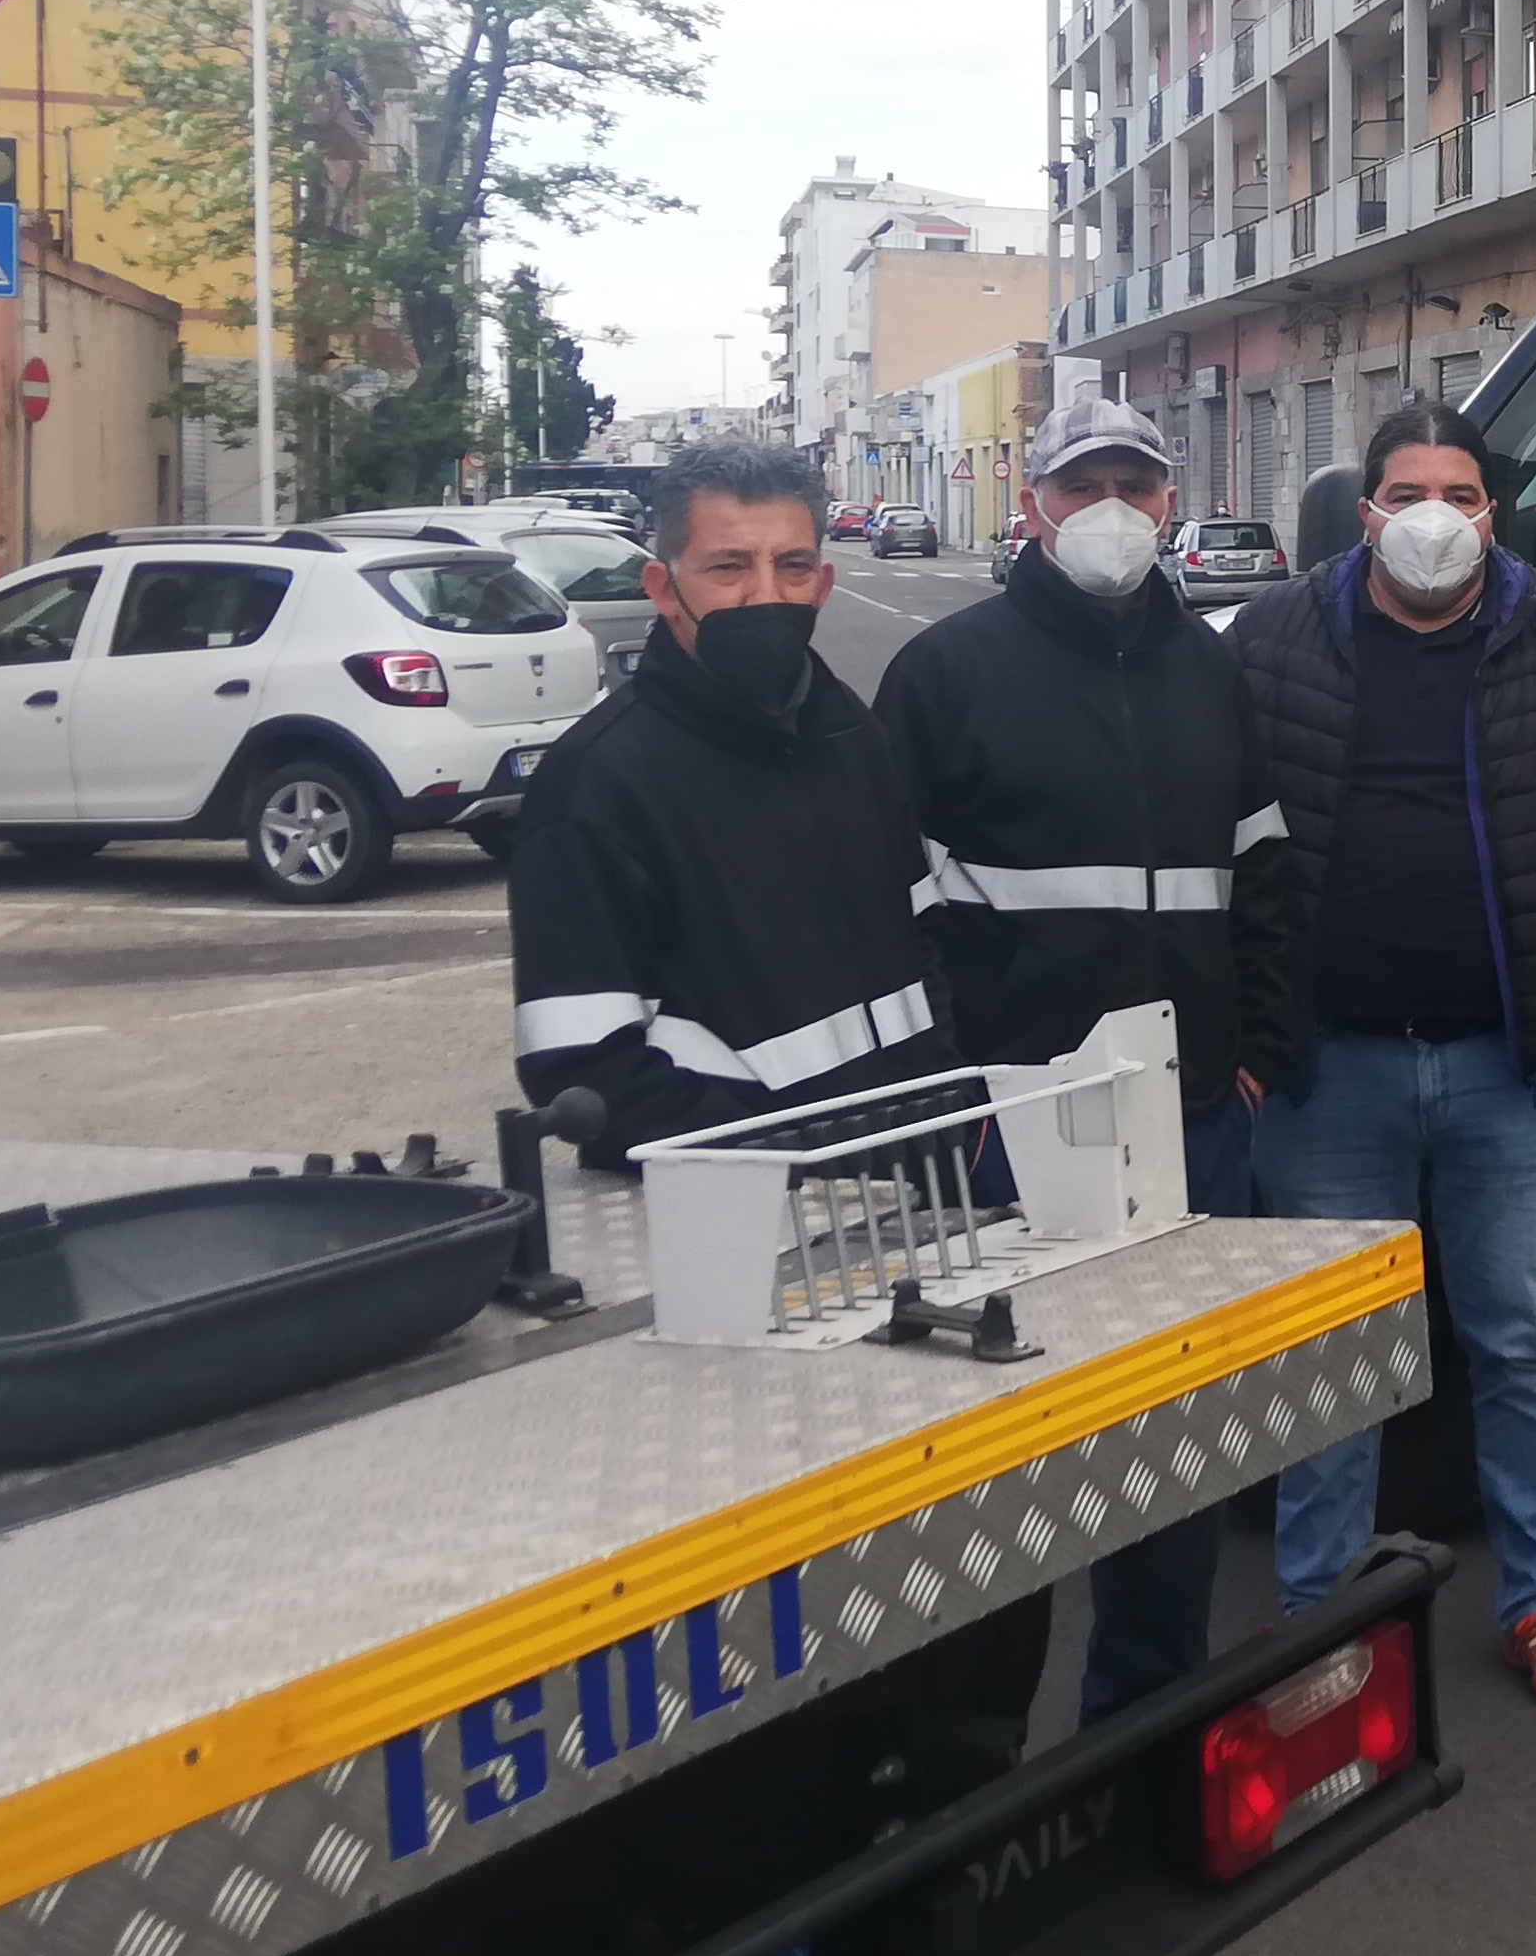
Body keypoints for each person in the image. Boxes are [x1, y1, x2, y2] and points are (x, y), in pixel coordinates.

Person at [1229, 393, 1536, 1713]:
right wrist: (1249, 1022)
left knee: (1525, 1344)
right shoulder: (1271, 639)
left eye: (1461, 496)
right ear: (1363, 514)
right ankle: (1317, 1624)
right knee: (1330, 1359)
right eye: (1407, 493)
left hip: (1511, 1068)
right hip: (1328, 1074)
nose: (1435, 518)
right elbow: (1215, 834)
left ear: (1495, 514)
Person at [876, 391, 1287, 1721]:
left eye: (1137, 485)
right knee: (1002, 1440)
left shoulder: (1218, 671)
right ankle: (974, 1745)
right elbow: (896, 905)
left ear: (1168, 505)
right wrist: (968, 1085)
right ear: (1035, 507)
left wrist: (1256, 1046)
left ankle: (1146, 1715)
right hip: (1021, 1126)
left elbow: (1268, 868)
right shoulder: (946, 676)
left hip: (1191, 1117)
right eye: (1083, 485)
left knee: (1167, 1430)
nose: (1113, 509)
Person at [508, 437, 965, 1156]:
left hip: (924, 1171)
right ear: (663, 589)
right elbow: (586, 1070)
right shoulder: (597, 786)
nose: (765, 595)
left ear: (823, 581)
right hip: (762, 1211)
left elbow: (925, 945)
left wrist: (948, 1105)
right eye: (729, 567)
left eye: (791, 566)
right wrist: (794, 1159)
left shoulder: (850, 730)